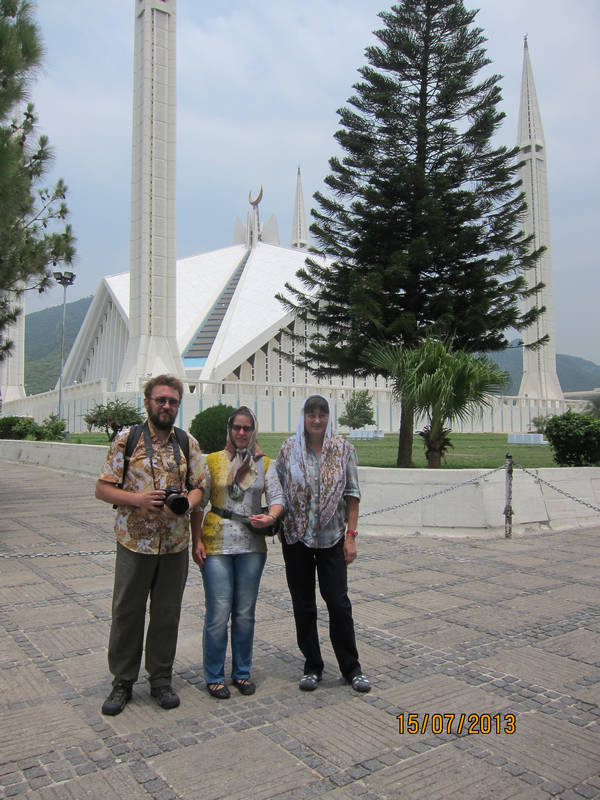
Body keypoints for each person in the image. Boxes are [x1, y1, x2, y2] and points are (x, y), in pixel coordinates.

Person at [95, 375, 206, 716]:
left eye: (172, 401)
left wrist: (187, 502)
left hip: (173, 545)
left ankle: (160, 678)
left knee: (166, 614)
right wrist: (138, 499)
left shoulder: (187, 443)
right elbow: (102, 489)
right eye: (160, 400)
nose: (166, 406)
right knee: (127, 611)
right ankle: (123, 681)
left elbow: (200, 486)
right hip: (134, 542)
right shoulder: (127, 440)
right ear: (147, 402)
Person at [276, 394, 370, 693]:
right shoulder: (289, 449)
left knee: (338, 603)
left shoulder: (343, 450)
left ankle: (351, 667)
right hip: (297, 539)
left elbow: (352, 495)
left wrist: (351, 537)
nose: (316, 420)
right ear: (303, 416)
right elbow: (278, 490)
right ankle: (312, 665)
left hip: (332, 539)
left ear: (329, 417)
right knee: (304, 605)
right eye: (311, 414)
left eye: (322, 414)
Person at [191, 406, 283, 699]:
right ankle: (214, 675)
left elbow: (278, 498)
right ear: (229, 430)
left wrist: (271, 516)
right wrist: (197, 540)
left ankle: (242, 672)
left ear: (253, 430)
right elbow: (199, 503)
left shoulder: (264, 463)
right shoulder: (213, 461)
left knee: (244, 613)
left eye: (247, 428)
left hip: (251, 544)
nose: (241, 433)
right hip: (216, 541)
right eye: (237, 428)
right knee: (218, 612)